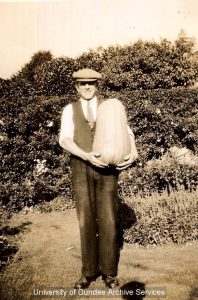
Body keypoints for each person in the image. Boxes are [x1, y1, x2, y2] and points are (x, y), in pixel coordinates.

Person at [59, 68, 138, 289]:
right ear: (76, 87)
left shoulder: (108, 107)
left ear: (97, 85)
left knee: (109, 219)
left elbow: (127, 131)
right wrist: (86, 156)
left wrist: (134, 150)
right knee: (85, 220)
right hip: (81, 167)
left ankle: (109, 273)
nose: (87, 87)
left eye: (91, 83)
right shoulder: (69, 110)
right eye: (82, 84)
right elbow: (64, 139)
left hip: (107, 169)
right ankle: (88, 273)